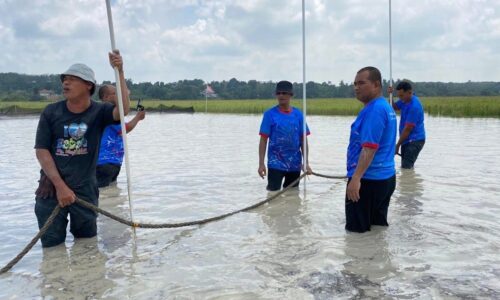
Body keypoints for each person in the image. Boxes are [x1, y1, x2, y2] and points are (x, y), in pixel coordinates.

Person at [34, 50, 130, 247]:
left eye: (72, 79)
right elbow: (42, 151)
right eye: (64, 80)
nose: (65, 83)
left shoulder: (99, 111)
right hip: (51, 188)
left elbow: (123, 110)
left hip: (85, 191)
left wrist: (120, 71)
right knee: (52, 248)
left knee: (87, 246)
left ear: (88, 85)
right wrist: (60, 187)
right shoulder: (51, 112)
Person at [345, 66, 397, 233]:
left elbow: (369, 148)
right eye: (355, 83)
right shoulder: (384, 107)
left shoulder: (375, 110)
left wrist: (356, 179)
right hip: (385, 178)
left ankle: (360, 260)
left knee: (356, 235)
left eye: (361, 83)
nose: (356, 87)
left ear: (376, 84)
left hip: (368, 181)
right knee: (377, 230)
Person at [258, 80, 312, 191]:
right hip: (275, 163)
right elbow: (263, 140)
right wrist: (261, 164)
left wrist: (305, 163)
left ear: (291, 95)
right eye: (278, 93)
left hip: (294, 164)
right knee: (273, 194)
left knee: (292, 196)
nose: (281, 95)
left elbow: (303, 140)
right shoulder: (270, 114)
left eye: (284, 93)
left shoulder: (299, 115)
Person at [96, 85, 146, 187]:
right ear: (105, 97)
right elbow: (124, 129)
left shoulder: (113, 114)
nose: (118, 96)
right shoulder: (105, 112)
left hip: (113, 161)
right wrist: (137, 117)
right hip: (104, 162)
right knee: (102, 193)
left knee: (111, 192)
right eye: (115, 94)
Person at [389, 81, 426, 169]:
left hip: (415, 140)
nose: (400, 98)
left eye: (401, 95)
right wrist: (391, 95)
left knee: (406, 168)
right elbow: (394, 107)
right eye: (399, 96)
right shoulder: (405, 100)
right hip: (406, 140)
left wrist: (397, 145)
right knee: (406, 167)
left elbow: (407, 129)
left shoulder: (414, 106)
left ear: (409, 92)